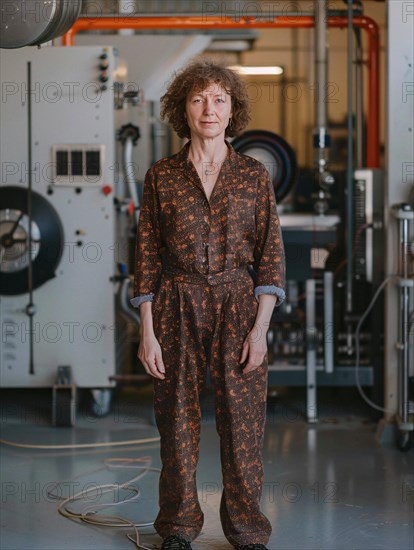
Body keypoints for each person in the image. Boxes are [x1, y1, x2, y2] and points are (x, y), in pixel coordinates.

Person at [131, 58, 286, 550]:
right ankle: (177, 528)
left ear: (232, 109)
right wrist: (147, 329)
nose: (209, 109)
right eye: (198, 99)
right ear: (184, 108)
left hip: (239, 307)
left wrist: (260, 330)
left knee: (242, 428)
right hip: (176, 305)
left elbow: (271, 256)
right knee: (176, 424)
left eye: (219, 99)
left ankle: (246, 532)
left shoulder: (254, 176)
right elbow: (148, 255)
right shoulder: (162, 176)